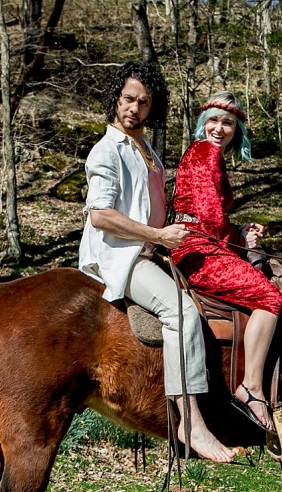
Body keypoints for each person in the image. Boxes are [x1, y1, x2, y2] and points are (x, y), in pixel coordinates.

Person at [78, 62, 236, 463]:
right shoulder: (106, 150)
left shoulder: (146, 150)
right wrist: (158, 237)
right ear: (116, 99)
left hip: (148, 249)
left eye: (144, 102)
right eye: (128, 99)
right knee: (181, 311)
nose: (134, 107)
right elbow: (100, 215)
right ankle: (191, 422)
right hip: (120, 256)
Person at [171, 92, 282, 431]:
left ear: (237, 129)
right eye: (213, 121)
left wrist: (239, 231)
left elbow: (213, 216)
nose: (219, 128)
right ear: (202, 124)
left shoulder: (202, 154)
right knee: (271, 298)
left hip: (200, 242)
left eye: (228, 123)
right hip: (201, 250)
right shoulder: (205, 152)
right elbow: (208, 217)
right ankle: (251, 388)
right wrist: (238, 240)